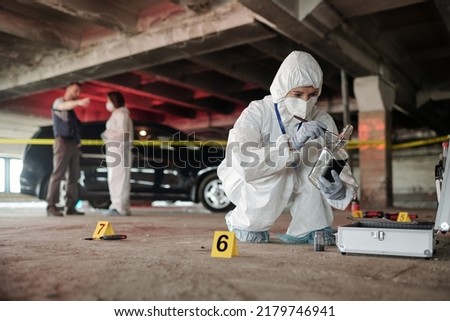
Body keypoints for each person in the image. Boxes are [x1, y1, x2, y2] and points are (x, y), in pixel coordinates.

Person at [217, 51, 358, 244]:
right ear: (283, 88)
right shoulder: (258, 111)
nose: (305, 102)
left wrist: (340, 187)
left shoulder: (323, 119)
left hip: (297, 175)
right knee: (276, 172)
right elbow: (242, 160)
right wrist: (291, 144)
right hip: (251, 178)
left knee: (315, 163)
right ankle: (245, 223)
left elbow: (338, 160)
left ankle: (311, 226)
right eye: (298, 94)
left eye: (313, 94)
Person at [46, 82, 90, 216]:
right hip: (62, 142)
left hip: (73, 144)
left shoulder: (71, 110)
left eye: (79, 92)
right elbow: (62, 106)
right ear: (68, 89)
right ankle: (51, 206)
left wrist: (78, 141)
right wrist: (79, 102)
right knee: (58, 174)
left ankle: (70, 207)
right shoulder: (58, 102)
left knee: (73, 176)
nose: (77, 94)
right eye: (75, 91)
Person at [101, 91, 134, 216]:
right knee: (119, 178)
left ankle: (119, 207)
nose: (107, 104)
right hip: (117, 149)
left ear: (114, 101)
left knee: (118, 178)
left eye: (108, 101)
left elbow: (123, 133)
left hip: (119, 149)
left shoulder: (121, 113)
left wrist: (107, 134)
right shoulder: (121, 114)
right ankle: (121, 206)